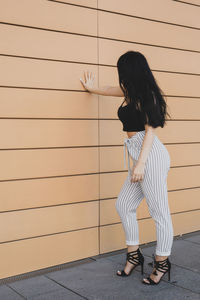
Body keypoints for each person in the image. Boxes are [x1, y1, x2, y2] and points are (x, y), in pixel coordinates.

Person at [80, 51, 174, 285]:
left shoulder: (148, 95)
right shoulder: (130, 92)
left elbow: (151, 131)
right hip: (138, 154)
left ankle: (162, 263)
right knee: (124, 205)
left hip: (149, 156)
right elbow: (111, 89)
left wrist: (140, 164)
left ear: (131, 70)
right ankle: (134, 255)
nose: (120, 76)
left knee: (159, 213)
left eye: (122, 70)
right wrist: (92, 89)